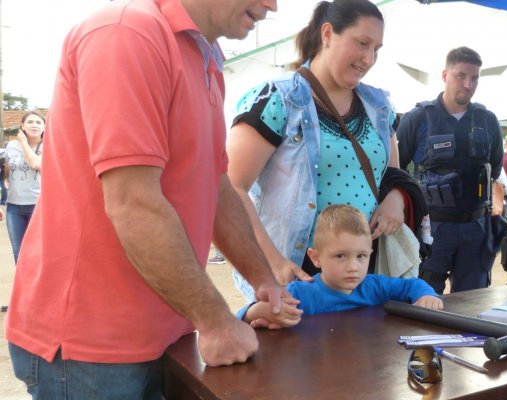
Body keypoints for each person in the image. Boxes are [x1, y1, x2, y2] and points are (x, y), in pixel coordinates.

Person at [5, 0, 296, 397]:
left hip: (163, 331)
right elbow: (133, 202)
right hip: (92, 345)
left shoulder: (204, 56)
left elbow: (217, 184)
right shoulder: (127, 32)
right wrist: (215, 320)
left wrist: (263, 281)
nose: (273, 5)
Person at [228, 0, 424, 303]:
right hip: (296, 273)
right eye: (361, 43)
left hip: (362, 271)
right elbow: (231, 187)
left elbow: (391, 176)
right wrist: (272, 263)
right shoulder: (278, 98)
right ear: (328, 34)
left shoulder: (379, 107)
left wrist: (395, 199)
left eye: (377, 49)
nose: (369, 58)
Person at [397, 46, 504, 294]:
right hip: (432, 229)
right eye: (461, 76)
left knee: (472, 303)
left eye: (475, 78)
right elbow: (395, 172)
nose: (468, 84)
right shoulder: (418, 118)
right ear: (445, 75)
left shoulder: (487, 120)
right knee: (423, 301)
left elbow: (495, 170)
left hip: (475, 228)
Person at [238, 205, 442, 325]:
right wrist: (259, 312)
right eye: (340, 256)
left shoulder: (375, 286)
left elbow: (411, 285)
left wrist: (426, 296)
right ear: (316, 258)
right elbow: (242, 315)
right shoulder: (300, 294)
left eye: (361, 256)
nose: (353, 266)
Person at [4, 112, 44, 264]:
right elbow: (6, 172)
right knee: (18, 251)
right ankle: (24, 287)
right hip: (14, 207)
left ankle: (39, 286)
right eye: (30, 122)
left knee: (37, 251)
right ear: (22, 126)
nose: (34, 125)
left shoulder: (47, 145)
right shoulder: (11, 146)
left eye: (38, 122)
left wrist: (24, 144)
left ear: (44, 126)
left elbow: (36, 164)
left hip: (38, 206)